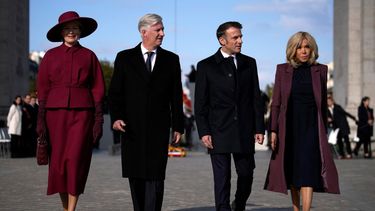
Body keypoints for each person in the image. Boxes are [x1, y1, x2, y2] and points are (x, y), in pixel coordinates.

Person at [108, 13, 184, 211]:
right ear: (144, 32)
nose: (162, 33)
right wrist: (116, 118)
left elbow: (176, 96)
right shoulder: (124, 58)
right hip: (131, 128)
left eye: (162, 29)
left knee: (156, 177)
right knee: (136, 176)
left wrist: (178, 126)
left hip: (159, 128)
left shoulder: (171, 60)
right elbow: (115, 93)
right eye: (158, 30)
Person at [36, 11, 105, 211]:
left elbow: (98, 88)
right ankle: (66, 208)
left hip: (82, 115)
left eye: (75, 28)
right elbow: (42, 87)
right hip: (54, 116)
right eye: (67, 29)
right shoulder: (50, 56)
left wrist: (98, 119)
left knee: (75, 161)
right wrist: (41, 119)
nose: (71, 32)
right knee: (58, 165)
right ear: (61, 32)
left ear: (80, 32)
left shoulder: (89, 56)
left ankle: (72, 210)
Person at [264, 31, 340, 211]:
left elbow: (321, 103)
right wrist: (273, 130)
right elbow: (276, 103)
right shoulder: (282, 70)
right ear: (293, 49)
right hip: (288, 128)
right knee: (291, 169)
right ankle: (296, 208)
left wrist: (324, 129)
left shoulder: (320, 70)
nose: (304, 51)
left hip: (311, 128)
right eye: (299, 47)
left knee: (308, 170)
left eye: (307, 47)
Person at [194, 21, 265, 211]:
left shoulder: (249, 63)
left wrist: (259, 127)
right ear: (222, 40)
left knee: (246, 174)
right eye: (235, 37)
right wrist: (204, 131)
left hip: (244, 130)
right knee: (222, 178)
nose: (240, 40)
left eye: (241, 36)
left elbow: (255, 98)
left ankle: (239, 204)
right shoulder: (206, 66)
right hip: (218, 131)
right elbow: (200, 104)